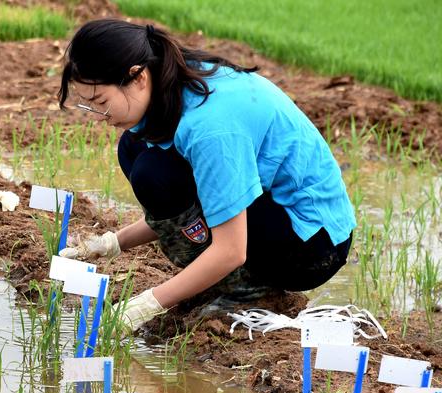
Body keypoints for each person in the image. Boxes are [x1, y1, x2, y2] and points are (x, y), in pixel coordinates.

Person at [57, 19, 355, 334]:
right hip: (271, 215)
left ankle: (251, 291)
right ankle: (219, 280)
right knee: (134, 148)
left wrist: (150, 302)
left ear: (138, 76)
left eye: (100, 103)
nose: (97, 117)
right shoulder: (171, 78)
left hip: (310, 245)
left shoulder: (210, 128)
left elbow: (231, 248)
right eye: (87, 105)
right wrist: (114, 242)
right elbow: (202, 204)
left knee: (153, 172)